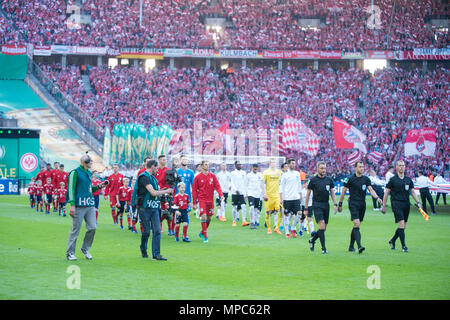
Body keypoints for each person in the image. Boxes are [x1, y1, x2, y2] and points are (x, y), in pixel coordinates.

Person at [66, 154, 108, 261]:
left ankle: (85, 249)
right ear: (85, 162)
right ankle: (70, 253)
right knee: (76, 229)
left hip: (89, 204)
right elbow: (70, 189)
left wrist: (99, 186)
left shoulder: (89, 173)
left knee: (93, 227)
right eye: (90, 162)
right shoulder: (75, 173)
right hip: (79, 206)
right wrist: (72, 205)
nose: (91, 163)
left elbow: (89, 189)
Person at [131, 159, 173, 260]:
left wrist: (164, 190)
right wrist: (166, 190)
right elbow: (153, 193)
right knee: (146, 231)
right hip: (144, 207)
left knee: (157, 231)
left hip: (154, 207)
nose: (158, 169)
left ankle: (156, 254)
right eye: (157, 167)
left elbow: (156, 191)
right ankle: (143, 248)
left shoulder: (153, 178)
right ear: (152, 167)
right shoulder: (144, 177)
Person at [338, 161, 383, 253]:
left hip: (362, 204)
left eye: (362, 167)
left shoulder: (366, 179)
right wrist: (340, 204)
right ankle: (359, 246)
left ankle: (351, 246)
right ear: (355, 168)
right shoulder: (349, 179)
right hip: (353, 203)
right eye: (360, 167)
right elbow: (343, 192)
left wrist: (377, 197)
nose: (362, 168)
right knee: (357, 223)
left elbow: (371, 190)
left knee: (356, 226)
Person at [381, 160, 422, 253]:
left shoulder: (408, 179)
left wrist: (418, 202)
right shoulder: (393, 180)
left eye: (403, 165)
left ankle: (392, 240)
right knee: (402, 224)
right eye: (399, 165)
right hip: (396, 203)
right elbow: (386, 193)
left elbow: (412, 192)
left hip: (406, 204)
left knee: (403, 227)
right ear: (396, 167)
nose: (401, 167)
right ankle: (404, 246)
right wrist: (384, 205)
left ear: (405, 167)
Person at [305, 161, 338, 254]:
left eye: (324, 168)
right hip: (317, 205)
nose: (324, 170)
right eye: (322, 168)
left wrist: (335, 204)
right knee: (322, 225)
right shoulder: (313, 180)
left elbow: (332, 192)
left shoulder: (329, 180)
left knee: (323, 229)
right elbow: (308, 195)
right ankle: (324, 249)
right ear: (317, 169)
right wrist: (306, 208)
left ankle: (312, 240)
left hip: (326, 205)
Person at [192, 160, 224, 244]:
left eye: (208, 164)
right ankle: (205, 236)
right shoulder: (198, 177)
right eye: (206, 164)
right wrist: (194, 203)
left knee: (209, 219)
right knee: (204, 217)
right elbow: (194, 190)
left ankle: (202, 232)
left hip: (210, 200)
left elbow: (217, 186)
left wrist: (221, 195)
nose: (207, 166)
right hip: (202, 200)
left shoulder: (212, 176)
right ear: (202, 166)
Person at [279, 158, 303, 238]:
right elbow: (281, 187)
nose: (293, 165)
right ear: (288, 165)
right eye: (292, 163)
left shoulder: (297, 174)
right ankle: (287, 232)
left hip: (296, 198)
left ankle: (292, 228)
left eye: (294, 163)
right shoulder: (284, 175)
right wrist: (281, 198)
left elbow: (299, 185)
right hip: (287, 198)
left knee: (299, 214)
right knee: (287, 215)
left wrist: (300, 195)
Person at [261, 158, 283, 235]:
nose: (273, 163)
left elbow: (282, 183)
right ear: (269, 163)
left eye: (274, 162)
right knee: (268, 212)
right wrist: (264, 194)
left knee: (280, 211)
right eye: (272, 162)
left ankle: (277, 228)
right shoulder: (266, 172)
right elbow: (262, 183)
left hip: (277, 196)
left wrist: (282, 196)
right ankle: (269, 229)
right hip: (269, 196)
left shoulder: (279, 172)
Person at [155, 155, 173, 235]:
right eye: (163, 160)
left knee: (168, 211)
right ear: (159, 161)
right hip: (157, 193)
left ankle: (170, 229)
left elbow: (171, 182)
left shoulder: (168, 170)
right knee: (159, 211)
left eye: (165, 160)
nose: (165, 161)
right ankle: (160, 227)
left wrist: (169, 192)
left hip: (166, 193)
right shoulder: (155, 170)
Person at [230, 160, 248, 227]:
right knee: (234, 207)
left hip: (242, 193)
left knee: (243, 206)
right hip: (235, 193)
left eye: (240, 164)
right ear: (235, 165)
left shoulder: (244, 173)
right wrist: (235, 190)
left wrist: (245, 194)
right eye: (238, 164)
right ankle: (234, 221)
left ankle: (244, 221)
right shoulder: (232, 173)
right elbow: (232, 182)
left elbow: (245, 183)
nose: (239, 165)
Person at [246, 164, 263, 229]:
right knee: (251, 207)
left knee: (256, 209)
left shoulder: (260, 175)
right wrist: (246, 194)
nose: (255, 169)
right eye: (254, 168)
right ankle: (252, 222)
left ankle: (255, 221)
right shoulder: (248, 175)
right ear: (252, 168)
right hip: (250, 193)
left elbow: (262, 184)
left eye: (256, 168)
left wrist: (262, 193)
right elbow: (246, 184)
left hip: (258, 194)